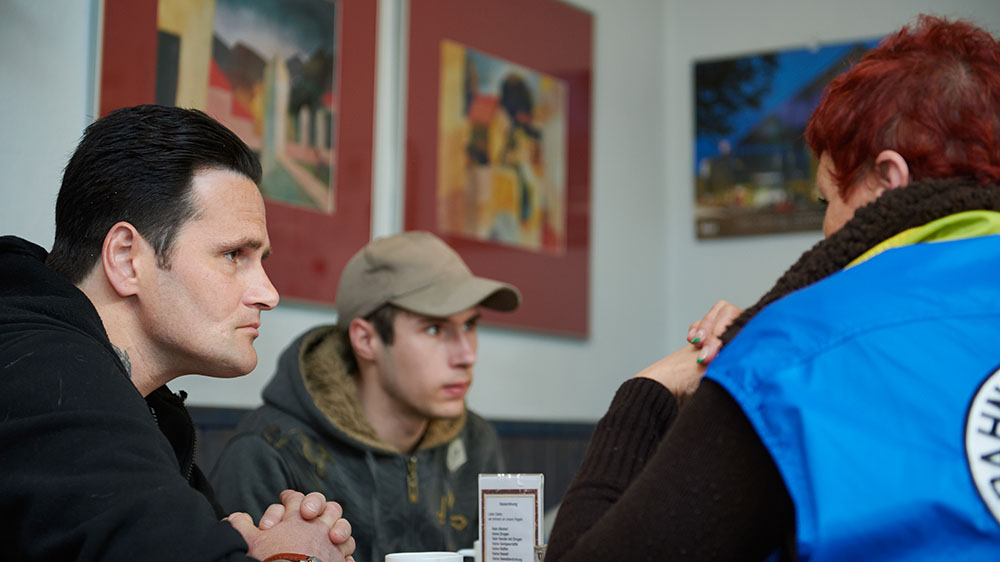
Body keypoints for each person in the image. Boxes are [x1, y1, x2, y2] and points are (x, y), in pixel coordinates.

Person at [546, 15, 1000, 561]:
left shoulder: (792, 355)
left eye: (825, 202)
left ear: (888, 181)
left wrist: (651, 390)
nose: (825, 228)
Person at [0, 104, 356, 562]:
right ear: (127, 259)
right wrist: (294, 556)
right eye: (233, 255)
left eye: (260, 260)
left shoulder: (145, 403)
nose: (268, 294)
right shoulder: (48, 373)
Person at [210, 231, 521, 562]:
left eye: (470, 326)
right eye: (434, 329)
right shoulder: (268, 450)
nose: (466, 355)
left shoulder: (475, 440)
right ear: (366, 340)